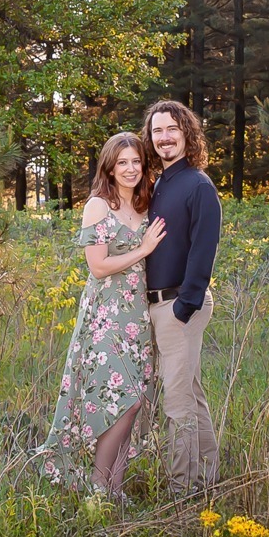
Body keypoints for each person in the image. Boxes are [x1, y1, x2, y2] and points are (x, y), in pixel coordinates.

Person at [38, 132, 166, 495]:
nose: (130, 169)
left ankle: (114, 489)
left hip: (139, 317)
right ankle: (99, 487)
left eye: (136, 161)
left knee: (135, 401)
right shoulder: (98, 205)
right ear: (109, 167)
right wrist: (142, 250)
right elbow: (98, 266)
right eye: (122, 162)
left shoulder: (146, 204)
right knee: (122, 399)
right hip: (106, 316)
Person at [141, 99, 222, 495]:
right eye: (157, 131)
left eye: (172, 129)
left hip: (180, 305)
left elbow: (204, 250)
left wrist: (183, 306)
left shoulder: (199, 185)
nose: (164, 137)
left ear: (187, 134)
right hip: (158, 305)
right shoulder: (161, 184)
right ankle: (205, 478)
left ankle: (181, 492)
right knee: (191, 394)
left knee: (176, 404)